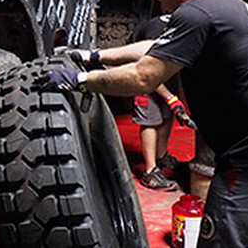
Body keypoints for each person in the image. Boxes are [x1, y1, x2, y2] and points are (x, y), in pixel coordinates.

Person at [39, 0, 248, 248]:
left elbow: (143, 77)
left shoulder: (196, 14)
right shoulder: (221, 2)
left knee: (220, 240)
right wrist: (95, 55)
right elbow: (159, 46)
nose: (159, 6)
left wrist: (80, 80)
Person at [72, 14, 194, 191]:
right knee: (151, 119)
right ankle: (151, 171)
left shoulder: (184, 28)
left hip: (164, 70)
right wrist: (171, 98)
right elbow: (147, 74)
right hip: (141, 70)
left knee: (167, 115)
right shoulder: (156, 32)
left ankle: (161, 155)